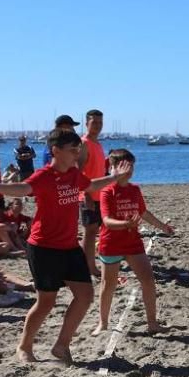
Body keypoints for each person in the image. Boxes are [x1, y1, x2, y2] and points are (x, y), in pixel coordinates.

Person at [0, 128, 131, 364]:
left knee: (85, 296)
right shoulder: (44, 176)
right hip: (43, 248)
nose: (77, 154)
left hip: (69, 246)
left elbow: (91, 185)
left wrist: (113, 177)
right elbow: (23, 189)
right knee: (46, 302)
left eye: (78, 149)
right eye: (73, 150)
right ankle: (24, 346)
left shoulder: (73, 173)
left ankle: (61, 346)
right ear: (56, 151)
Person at [93, 149, 174, 336]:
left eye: (131, 166)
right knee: (108, 285)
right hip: (110, 243)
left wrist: (163, 227)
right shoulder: (107, 191)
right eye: (125, 166)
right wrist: (125, 223)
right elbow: (106, 221)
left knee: (148, 280)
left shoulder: (135, 189)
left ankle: (152, 323)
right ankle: (103, 323)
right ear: (113, 168)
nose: (129, 170)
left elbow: (144, 213)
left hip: (133, 243)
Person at [79, 109, 107, 278]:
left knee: (96, 231)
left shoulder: (98, 143)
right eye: (94, 122)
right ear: (87, 123)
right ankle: (89, 267)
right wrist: (87, 195)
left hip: (99, 195)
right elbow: (79, 172)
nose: (97, 125)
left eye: (100, 122)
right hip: (87, 196)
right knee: (89, 233)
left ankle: (92, 263)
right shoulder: (84, 143)